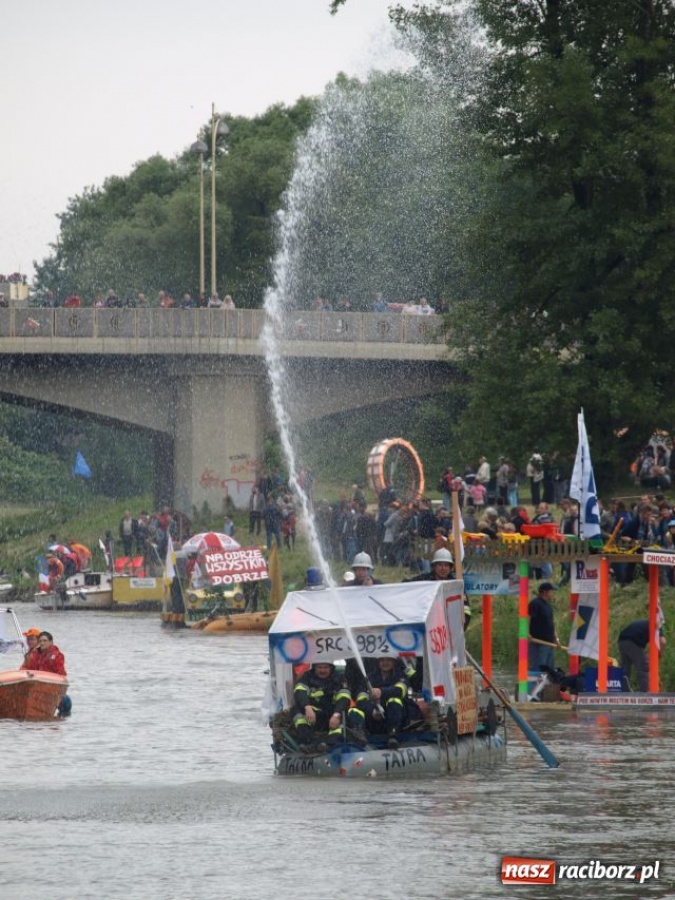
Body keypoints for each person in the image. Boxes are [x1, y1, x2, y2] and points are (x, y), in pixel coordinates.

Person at [353, 656, 423, 749]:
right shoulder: (369, 678)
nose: (385, 663)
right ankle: (360, 734)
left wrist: (381, 692)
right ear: (378, 662)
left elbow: (399, 690)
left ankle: (393, 735)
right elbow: (360, 699)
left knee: (394, 700)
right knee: (353, 711)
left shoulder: (401, 675)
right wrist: (372, 711)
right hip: (375, 719)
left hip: (399, 718)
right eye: (382, 660)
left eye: (388, 660)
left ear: (394, 662)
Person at [292, 662, 362, 753]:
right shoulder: (306, 677)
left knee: (342, 720)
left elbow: (344, 698)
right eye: (320, 667)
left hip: (332, 714)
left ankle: (328, 744)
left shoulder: (339, 678)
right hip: (313, 715)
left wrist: (336, 715)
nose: (323, 670)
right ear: (314, 667)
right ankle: (305, 742)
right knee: (297, 712)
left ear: (331, 668)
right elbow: (299, 692)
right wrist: (307, 707)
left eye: (325, 667)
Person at [618, 619, 666, 692]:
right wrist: (659, 654)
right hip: (633, 641)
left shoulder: (645, 624)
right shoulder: (656, 626)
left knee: (625, 669)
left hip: (622, 641)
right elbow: (662, 641)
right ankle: (645, 692)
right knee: (643, 668)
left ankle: (624, 691)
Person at [528, 582, 560, 673]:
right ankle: (535, 681)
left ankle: (548, 682)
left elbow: (550, 623)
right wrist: (526, 632)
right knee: (537, 667)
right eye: (551, 591)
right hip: (538, 641)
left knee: (549, 669)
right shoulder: (535, 603)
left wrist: (556, 638)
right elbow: (528, 618)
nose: (552, 593)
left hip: (549, 643)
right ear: (545, 592)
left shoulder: (548, 606)